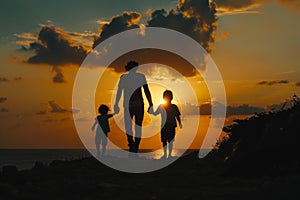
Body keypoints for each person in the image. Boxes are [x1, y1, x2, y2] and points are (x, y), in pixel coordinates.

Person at [114, 61, 153, 153]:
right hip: (137, 105)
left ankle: (132, 144)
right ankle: (134, 145)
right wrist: (151, 104)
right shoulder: (140, 77)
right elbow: (146, 90)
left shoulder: (125, 78)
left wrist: (116, 104)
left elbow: (119, 91)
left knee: (129, 127)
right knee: (137, 127)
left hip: (130, 105)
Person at [149, 90, 182, 159]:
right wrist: (150, 110)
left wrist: (180, 123)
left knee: (170, 141)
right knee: (164, 141)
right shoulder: (162, 106)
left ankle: (168, 154)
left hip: (171, 125)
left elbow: (177, 116)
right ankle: (166, 154)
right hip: (164, 126)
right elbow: (155, 113)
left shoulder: (174, 107)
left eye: (168, 96)